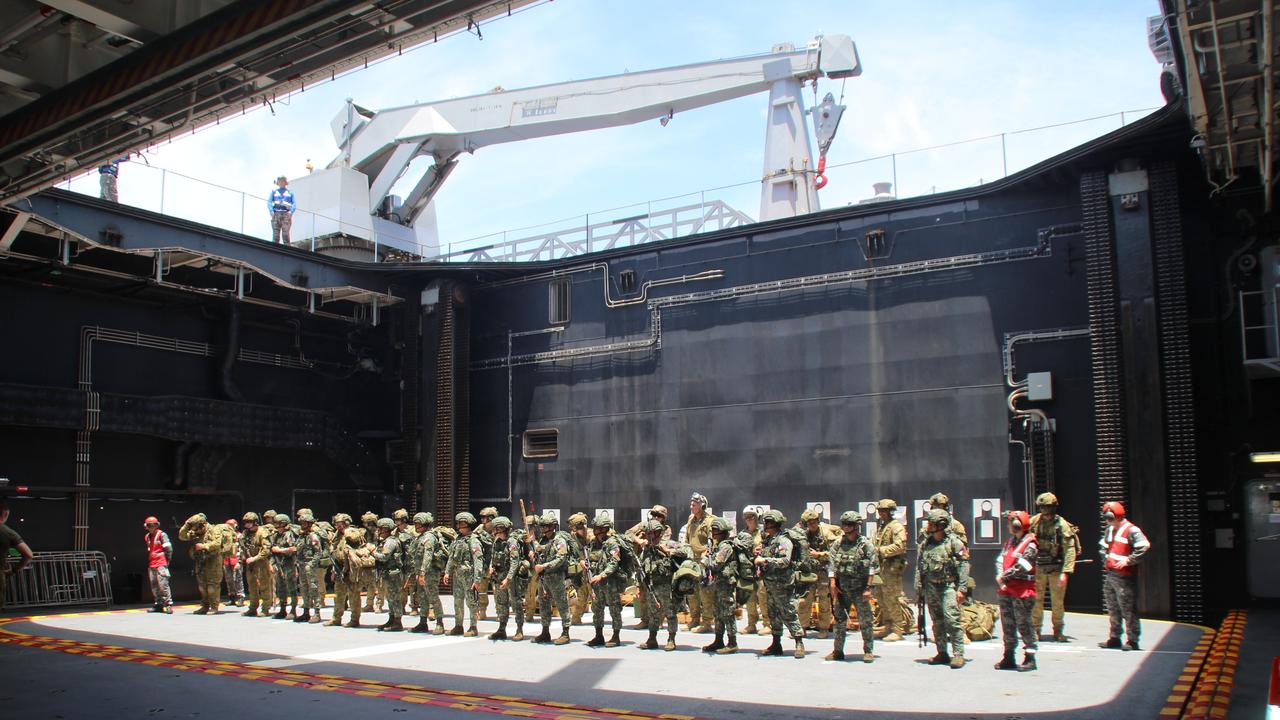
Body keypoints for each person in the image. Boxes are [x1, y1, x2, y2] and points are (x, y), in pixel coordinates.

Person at [916, 508, 970, 669]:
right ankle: (942, 652)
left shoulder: (954, 542)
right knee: (937, 621)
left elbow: (964, 564)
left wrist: (962, 588)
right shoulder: (926, 543)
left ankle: (958, 654)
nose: (928, 526)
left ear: (941, 525)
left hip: (948, 586)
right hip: (931, 586)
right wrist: (919, 587)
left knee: (952, 619)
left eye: (931, 523)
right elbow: (919, 566)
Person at [1098, 501, 1149, 651]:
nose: (1107, 521)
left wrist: (1128, 560)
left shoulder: (1132, 530)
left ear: (1118, 516)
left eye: (1110, 518)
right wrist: (1106, 559)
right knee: (1113, 607)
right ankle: (1115, 637)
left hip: (1125, 576)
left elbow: (1144, 546)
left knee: (1128, 608)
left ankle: (1133, 640)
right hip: (1111, 574)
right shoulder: (1109, 530)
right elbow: (1103, 546)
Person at [828, 510, 878, 663]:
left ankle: (868, 651)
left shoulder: (865, 545)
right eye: (844, 524)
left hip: (860, 589)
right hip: (843, 589)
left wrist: (869, 588)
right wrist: (833, 583)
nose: (846, 527)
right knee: (840, 621)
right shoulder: (838, 543)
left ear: (856, 526)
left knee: (865, 621)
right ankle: (838, 650)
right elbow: (831, 565)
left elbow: (873, 567)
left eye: (849, 524)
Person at [754, 509, 805, 658]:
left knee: (789, 613)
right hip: (770, 584)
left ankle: (799, 642)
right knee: (773, 615)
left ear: (774, 524)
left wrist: (765, 560)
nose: (766, 525)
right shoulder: (768, 541)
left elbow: (784, 561)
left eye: (768, 523)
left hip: (782, 585)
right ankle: (776, 643)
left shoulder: (783, 540)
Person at [1029, 492, 1078, 642]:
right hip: (1038, 567)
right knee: (1036, 600)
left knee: (1057, 602)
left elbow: (1070, 549)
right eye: (1043, 508)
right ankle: (1035, 629)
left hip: (1056, 567)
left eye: (1049, 508)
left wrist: (1066, 572)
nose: (1046, 512)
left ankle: (1058, 629)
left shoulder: (1061, 525)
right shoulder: (1034, 522)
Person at [995, 510, 1038, 671]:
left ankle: (1030, 657)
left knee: (1024, 624)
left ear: (1017, 525)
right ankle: (1009, 656)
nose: (1008, 525)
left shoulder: (1030, 544)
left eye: (1010, 522)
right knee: (1008, 624)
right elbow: (1000, 560)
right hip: (1007, 589)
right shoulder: (1010, 542)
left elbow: (1024, 567)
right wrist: (1001, 576)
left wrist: (1004, 577)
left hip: (1022, 590)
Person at [624, 504, 671, 629]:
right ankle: (644, 619)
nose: (655, 517)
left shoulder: (665, 529)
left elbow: (661, 545)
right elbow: (628, 533)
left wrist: (649, 541)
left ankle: (659, 620)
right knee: (643, 592)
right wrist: (639, 541)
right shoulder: (644, 525)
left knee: (657, 593)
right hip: (643, 562)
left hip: (657, 563)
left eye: (658, 516)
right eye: (653, 515)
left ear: (663, 518)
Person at [796, 508, 841, 637]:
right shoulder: (804, 535)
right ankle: (803, 626)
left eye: (814, 521)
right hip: (810, 571)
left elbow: (835, 552)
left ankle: (824, 628)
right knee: (805, 599)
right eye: (809, 523)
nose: (812, 524)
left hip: (824, 571)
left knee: (824, 600)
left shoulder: (826, 533)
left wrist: (819, 555)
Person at [178, 513, 233, 615]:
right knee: (202, 585)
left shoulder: (213, 530)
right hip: (201, 560)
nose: (195, 531)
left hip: (214, 561)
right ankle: (204, 606)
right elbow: (182, 536)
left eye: (196, 527)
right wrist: (187, 524)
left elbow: (217, 544)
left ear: (202, 525)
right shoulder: (196, 531)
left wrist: (204, 546)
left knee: (213, 585)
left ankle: (214, 607)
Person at [637, 520, 679, 651]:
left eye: (652, 533)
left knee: (670, 614)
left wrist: (668, 551)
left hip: (666, 586)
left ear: (659, 533)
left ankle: (671, 639)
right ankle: (652, 638)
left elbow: (685, 552)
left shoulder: (669, 544)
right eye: (648, 533)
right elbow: (641, 568)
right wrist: (639, 586)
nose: (650, 536)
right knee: (653, 614)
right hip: (651, 586)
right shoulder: (647, 550)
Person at [586, 514, 626, 648]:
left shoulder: (612, 544)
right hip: (596, 584)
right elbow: (591, 559)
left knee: (614, 609)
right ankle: (599, 635)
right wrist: (584, 563)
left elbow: (614, 563)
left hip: (610, 583)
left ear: (603, 529)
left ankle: (616, 636)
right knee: (597, 609)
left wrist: (601, 576)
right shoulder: (593, 544)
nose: (594, 530)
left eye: (596, 528)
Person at [532, 513, 573, 645]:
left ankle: (565, 633)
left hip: (555, 577)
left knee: (562, 604)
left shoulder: (559, 541)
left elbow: (561, 559)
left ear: (553, 526)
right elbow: (539, 553)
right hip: (544, 578)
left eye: (546, 526)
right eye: (542, 526)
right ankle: (545, 632)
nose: (543, 528)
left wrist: (543, 566)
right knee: (543, 605)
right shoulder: (543, 541)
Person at [701, 517, 740, 654]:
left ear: (723, 532)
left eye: (716, 531)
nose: (714, 533)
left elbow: (716, 564)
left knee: (727, 613)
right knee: (718, 612)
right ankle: (718, 640)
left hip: (725, 584)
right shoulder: (718, 546)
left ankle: (732, 642)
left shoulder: (726, 546)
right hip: (718, 584)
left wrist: (704, 559)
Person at [872, 499, 909, 641]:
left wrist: (880, 551)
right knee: (881, 598)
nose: (881, 514)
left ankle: (897, 630)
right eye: (880, 511)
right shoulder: (882, 527)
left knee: (892, 599)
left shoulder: (896, 526)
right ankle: (887, 626)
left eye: (884, 511)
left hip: (891, 570)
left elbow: (900, 546)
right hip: (881, 569)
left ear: (890, 511)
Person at [444, 512, 484, 636]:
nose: (459, 526)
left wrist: (477, 579)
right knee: (457, 600)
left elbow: (478, 561)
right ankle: (458, 625)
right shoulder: (458, 539)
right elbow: (452, 557)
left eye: (462, 524)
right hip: (457, 575)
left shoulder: (474, 541)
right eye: (458, 523)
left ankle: (473, 627)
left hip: (469, 577)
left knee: (471, 602)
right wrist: (447, 572)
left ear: (469, 525)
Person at [329, 523, 375, 628]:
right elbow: (335, 553)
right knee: (339, 595)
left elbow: (356, 547)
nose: (338, 526)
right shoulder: (337, 536)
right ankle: (336, 618)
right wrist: (333, 571)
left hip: (351, 569)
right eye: (336, 524)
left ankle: (354, 619)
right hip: (339, 568)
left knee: (353, 595)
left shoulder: (353, 533)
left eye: (340, 524)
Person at [683, 492, 717, 633]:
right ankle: (694, 619)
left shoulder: (710, 521)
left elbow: (713, 541)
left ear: (702, 505)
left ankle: (708, 622)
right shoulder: (691, 520)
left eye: (694, 504)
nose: (691, 506)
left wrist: (705, 557)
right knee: (691, 591)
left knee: (705, 592)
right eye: (691, 503)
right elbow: (687, 539)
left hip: (704, 561)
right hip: (692, 560)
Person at [487, 516, 519, 640]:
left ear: (505, 529)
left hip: (510, 579)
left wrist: (508, 578)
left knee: (516, 604)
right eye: (496, 529)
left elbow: (515, 561)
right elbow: (493, 557)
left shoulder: (512, 542)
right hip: (498, 577)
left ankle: (519, 629)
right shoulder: (497, 541)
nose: (496, 531)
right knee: (501, 604)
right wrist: (490, 567)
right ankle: (501, 629)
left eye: (499, 529)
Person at [739, 506, 769, 635]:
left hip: (761, 570)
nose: (749, 520)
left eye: (752, 517)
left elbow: (773, 547)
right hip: (747, 570)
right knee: (749, 597)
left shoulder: (764, 533)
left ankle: (768, 623)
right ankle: (751, 624)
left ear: (757, 518)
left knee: (763, 596)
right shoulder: (742, 535)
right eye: (747, 518)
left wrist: (762, 550)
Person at [373, 517, 405, 632]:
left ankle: (397, 622)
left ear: (386, 529)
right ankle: (391, 619)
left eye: (381, 528)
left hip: (393, 574)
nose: (379, 530)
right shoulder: (386, 541)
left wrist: (373, 552)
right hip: (388, 573)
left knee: (394, 598)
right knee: (390, 598)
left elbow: (384, 557)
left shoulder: (390, 542)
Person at [239, 512, 272, 617]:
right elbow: (243, 545)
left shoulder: (262, 532)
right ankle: (253, 608)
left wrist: (255, 558)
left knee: (264, 585)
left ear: (255, 522)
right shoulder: (246, 533)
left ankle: (265, 608)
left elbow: (266, 549)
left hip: (261, 562)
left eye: (249, 522)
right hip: (250, 563)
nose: (247, 525)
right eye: (245, 522)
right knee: (252, 586)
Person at [294, 511, 324, 623]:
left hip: (309, 565)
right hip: (301, 565)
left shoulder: (313, 536)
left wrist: (311, 564)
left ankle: (317, 613)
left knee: (313, 588)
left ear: (309, 523)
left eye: (304, 523)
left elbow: (318, 552)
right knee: (304, 588)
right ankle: (306, 612)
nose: (302, 525)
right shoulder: (301, 536)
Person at [268, 513, 299, 619]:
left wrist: (280, 550)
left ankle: (293, 610)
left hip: (289, 564)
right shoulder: (275, 536)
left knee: (291, 587)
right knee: (280, 588)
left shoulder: (288, 534)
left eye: (278, 523)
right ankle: (282, 609)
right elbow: (272, 552)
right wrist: (271, 564)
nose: (276, 525)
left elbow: (293, 549)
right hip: (279, 564)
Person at [566, 512, 592, 625]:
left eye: (574, 527)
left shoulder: (592, 536)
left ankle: (598, 621)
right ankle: (576, 617)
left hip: (594, 571)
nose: (572, 529)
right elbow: (569, 554)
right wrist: (578, 561)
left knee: (596, 598)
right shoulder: (572, 537)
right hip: (580, 573)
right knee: (580, 595)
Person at [143, 516, 173, 613]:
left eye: (153, 525)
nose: (151, 527)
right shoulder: (147, 536)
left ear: (157, 525)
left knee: (163, 584)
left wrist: (167, 561)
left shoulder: (162, 535)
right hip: (152, 564)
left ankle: (168, 604)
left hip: (161, 563)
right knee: (154, 586)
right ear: (146, 526)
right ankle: (158, 604)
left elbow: (169, 549)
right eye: (149, 525)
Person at [222, 518, 244, 607]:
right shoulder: (225, 537)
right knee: (229, 580)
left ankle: (241, 597)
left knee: (238, 579)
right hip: (227, 560)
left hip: (236, 560)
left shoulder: (240, 536)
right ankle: (231, 598)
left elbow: (242, 550)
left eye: (231, 525)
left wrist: (239, 562)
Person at [268, 175, 296, 243]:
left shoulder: (290, 193)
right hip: (276, 214)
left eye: (283, 181)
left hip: (286, 214)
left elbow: (294, 204)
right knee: (275, 236)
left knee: (285, 234)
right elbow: (269, 202)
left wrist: (290, 212)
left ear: (285, 182)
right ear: (278, 183)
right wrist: (271, 212)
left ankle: (287, 250)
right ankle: (274, 250)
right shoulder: (274, 192)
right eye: (280, 181)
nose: (281, 182)